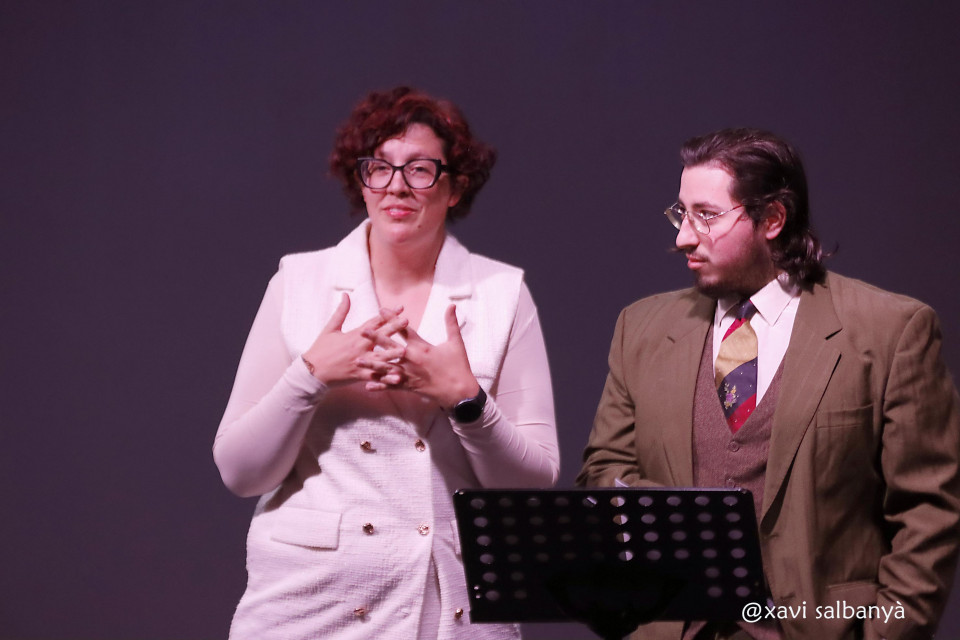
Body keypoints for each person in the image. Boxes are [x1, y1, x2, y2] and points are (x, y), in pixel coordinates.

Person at [577, 128, 960, 640]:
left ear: (773, 219)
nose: (684, 237)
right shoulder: (641, 328)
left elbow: (928, 512)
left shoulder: (890, 331)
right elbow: (604, 471)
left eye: (706, 215)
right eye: (681, 213)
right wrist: (684, 522)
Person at [213, 86, 559, 640]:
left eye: (420, 169)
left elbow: (533, 484)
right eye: (378, 167)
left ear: (455, 187)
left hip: (444, 608)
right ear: (361, 180)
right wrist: (310, 376)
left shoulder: (501, 294)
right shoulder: (299, 283)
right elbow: (239, 471)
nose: (396, 185)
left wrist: (466, 401)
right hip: (308, 606)